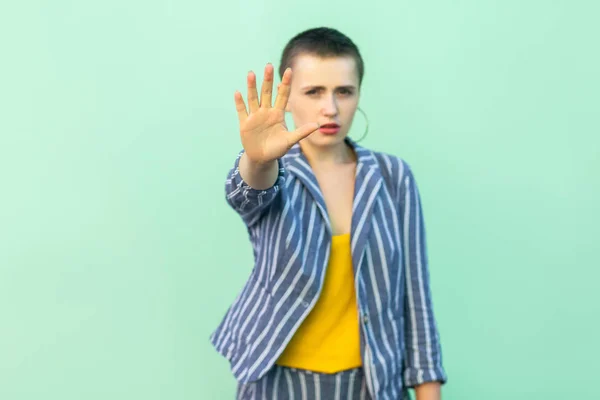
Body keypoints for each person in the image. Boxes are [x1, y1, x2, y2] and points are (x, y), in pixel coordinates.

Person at [210, 27, 447, 400]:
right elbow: (247, 193)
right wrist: (257, 159)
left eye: (344, 91)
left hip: (371, 382)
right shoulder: (276, 172)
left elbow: (415, 297)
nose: (331, 108)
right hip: (278, 382)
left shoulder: (392, 177)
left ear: (358, 94)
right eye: (314, 91)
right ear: (288, 99)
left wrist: (428, 390)